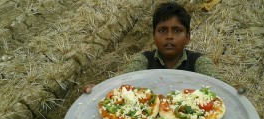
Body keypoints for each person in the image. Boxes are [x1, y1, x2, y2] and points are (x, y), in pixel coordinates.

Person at [84, 2, 222, 93]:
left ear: (188, 37)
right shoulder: (144, 60)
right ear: (154, 36)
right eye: (162, 31)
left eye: (177, 30)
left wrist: (234, 91)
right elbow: (122, 83)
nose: (169, 36)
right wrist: (99, 90)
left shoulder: (198, 61)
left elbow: (220, 87)